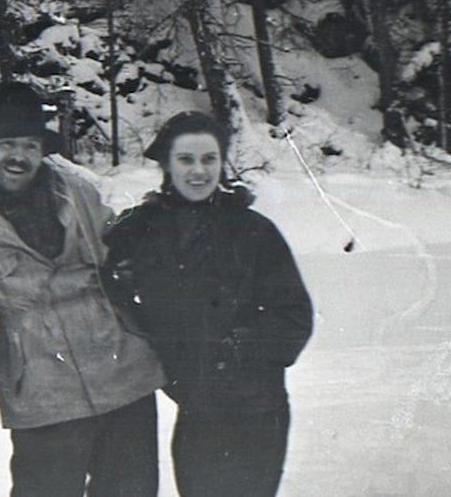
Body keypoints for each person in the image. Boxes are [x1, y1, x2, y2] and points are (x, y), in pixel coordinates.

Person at [0, 83, 164, 497]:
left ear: (43, 151)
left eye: (30, 145)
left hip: (121, 373)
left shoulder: (77, 192)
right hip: (42, 393)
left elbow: (124, 257)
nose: (19, 156)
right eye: (8, 144)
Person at [103, 111, 313, 496]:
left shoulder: (254, 231)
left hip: (255, 411)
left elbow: (295, 318)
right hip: (197, 410)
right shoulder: (140, 229)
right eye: (186, 159)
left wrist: (238, 349)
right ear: (166, 163)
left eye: (209, 159)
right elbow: (102, 281)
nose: (198, 171)